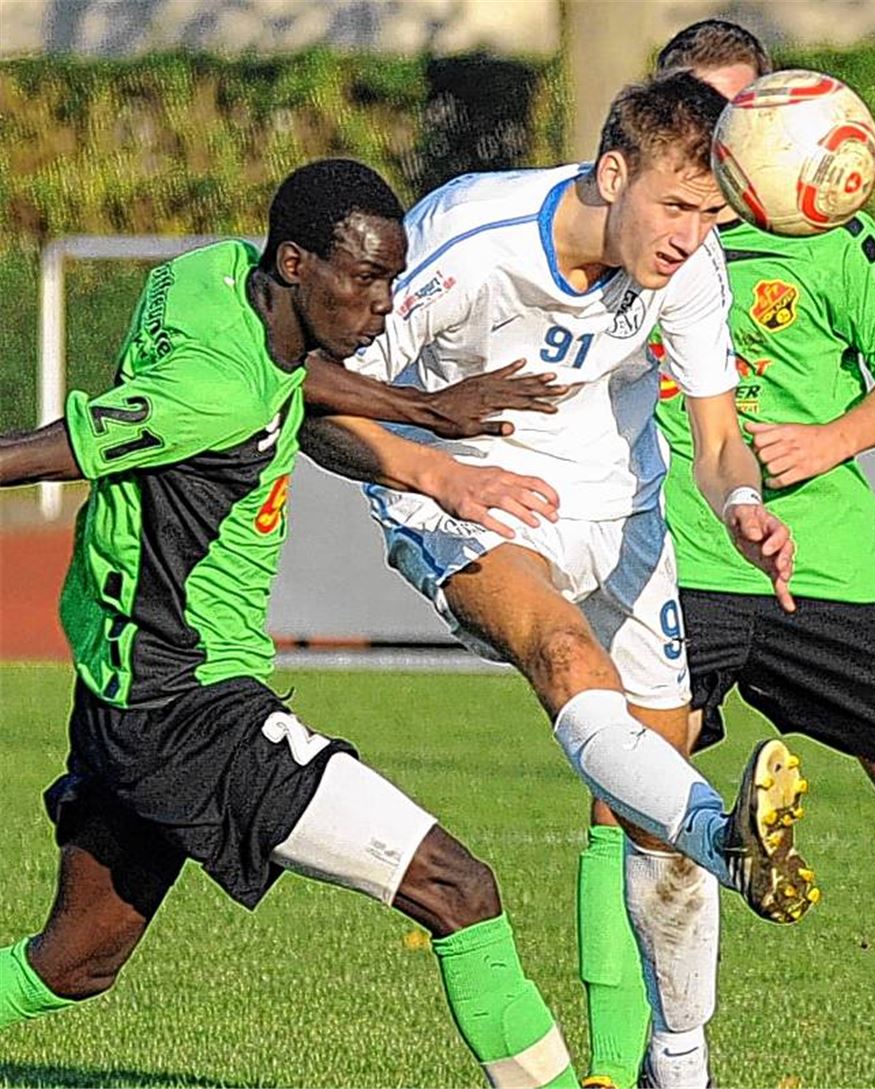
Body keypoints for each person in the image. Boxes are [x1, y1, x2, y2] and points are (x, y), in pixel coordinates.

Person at [0, 158, 584, 1088]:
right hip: (188, 704)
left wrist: (423, 416)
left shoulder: (210, 275)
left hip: (122, 686)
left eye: (393, 279)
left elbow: (293, 378)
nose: (387, 305)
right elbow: (50, 450)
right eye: (367, 279)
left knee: (74, 963)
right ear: (298, 263)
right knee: (459, 889)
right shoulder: (211, 391)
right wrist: (422, 430)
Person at [304, 71, 821, 1087]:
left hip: (622, 510)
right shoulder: (464, 242)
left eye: (708, 213)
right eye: (674, 207)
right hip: (460, 502)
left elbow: (718, 438)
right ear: (612, 170)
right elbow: (317, 399)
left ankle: (680, 1065)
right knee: (562, 654)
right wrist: (438, 469)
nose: (687, 235)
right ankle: (732, 843)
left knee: (648, 806)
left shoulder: (692, 263)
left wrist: (743, 507)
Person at [580, 19, 875, 1088]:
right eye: (696, 114)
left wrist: (828, 440)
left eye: (736, 115)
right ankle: (614, 1067)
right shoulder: (641, 229)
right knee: (623, 796)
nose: (716, 137)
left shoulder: (834, 240)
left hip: (822, 565)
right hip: (677, 550)